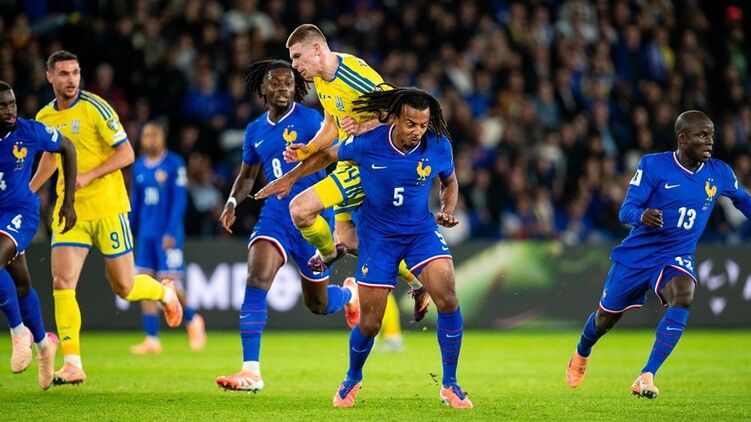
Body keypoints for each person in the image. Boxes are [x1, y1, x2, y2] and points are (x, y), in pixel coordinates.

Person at [278, 87, 472, 408]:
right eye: (411, 124)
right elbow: (328, 156)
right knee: (370, 324)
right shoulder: (368, 143)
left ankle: (450, 384)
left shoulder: (438, 145)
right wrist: (292, 176)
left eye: (423, 125)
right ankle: (352, 378)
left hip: (420, 232)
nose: (417, 131)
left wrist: (448, 208)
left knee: (449, 297)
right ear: (395, 118)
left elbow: (450, 182)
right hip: (378, 237)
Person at [259, 24, 430, 342]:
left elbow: (401, 112)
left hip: (371, 166)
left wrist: (366, 125)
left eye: (297, 57)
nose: (294, 65)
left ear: (317, 49)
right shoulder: (321, 81)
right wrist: (309, 149)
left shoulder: (353, 74)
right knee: (351, 241)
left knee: (301, 210)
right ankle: (418, 280)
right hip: (349, 161)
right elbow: (331, 124)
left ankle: (326, 254)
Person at [566, 110, 751, 399]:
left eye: (712, 135)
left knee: (684, 294)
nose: (710, 141)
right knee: (605, 320)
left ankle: (647, 375)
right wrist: (642, 216)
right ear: (682, 138)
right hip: (638, 255)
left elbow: (743, 200)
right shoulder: (653, 165)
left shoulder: (720, 173)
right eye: (702, 135)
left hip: (675, 254)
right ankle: (582, 351)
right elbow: (626, 210)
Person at [30, 50, 183, 385]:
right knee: (61, 282)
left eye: (75, 72)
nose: (71, 79)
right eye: (64, 74)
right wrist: (28, 191)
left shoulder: (96, 108)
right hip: (70, 211)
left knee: (124, 287)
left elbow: (126, 153)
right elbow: (50, 159)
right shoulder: (45, 116)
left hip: (108, 209)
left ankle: (164, 293)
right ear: (49, 77)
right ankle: (73, 363)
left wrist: (89, 175)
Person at [215, 59, 358, 392]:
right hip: (276, 216)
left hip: (312, 218)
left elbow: (334, 154)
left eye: (289, 83)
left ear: (297, 88)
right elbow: (247, 175)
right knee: (256, 277)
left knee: (318, 305)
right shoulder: (255, 130)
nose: (283, 87)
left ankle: (350, 294)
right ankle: (251, 371)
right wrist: (232, 202)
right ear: (263, 89)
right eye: (276, 82)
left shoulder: (312, 120)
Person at [0, 81, 76, 390]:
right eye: (2, 106)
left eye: (12, 103)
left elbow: (67, 147)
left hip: (21, 211)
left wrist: (67, 201)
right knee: (21, 284)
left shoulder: (29, 131)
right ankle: (45, 345)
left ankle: (19, 333)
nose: (10, 110)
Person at [129, 121, 206, 355]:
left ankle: (192, 320)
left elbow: (179, 200)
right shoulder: (139, 167)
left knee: (170, 282)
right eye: (147, 136)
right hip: (146, 234)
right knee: (144, 282)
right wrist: (128, 230)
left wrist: (172, 231)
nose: (150, 140)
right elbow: (135, 202)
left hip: (167, 234)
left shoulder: (174, 164)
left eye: (154, 135)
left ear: (162, 138)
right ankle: (152, 338)